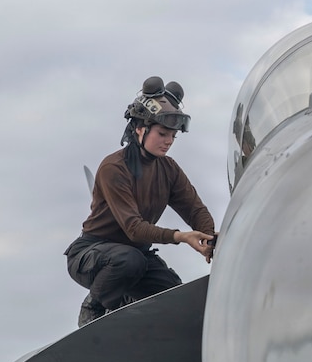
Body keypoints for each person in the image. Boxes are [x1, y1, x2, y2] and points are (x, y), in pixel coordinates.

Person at [66, 76, 216, 327]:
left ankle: (130, 312)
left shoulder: (168, 169)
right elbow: (134, 229)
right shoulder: (114, 167)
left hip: (136, 256)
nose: (168, 141)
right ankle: (95, 304)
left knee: (175, 297)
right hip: (92, 255)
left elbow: (195, 209)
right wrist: (182, 237)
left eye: (173, 136)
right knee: (129, 261)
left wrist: (211, 238)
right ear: (140, 129)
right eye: (162, 133)